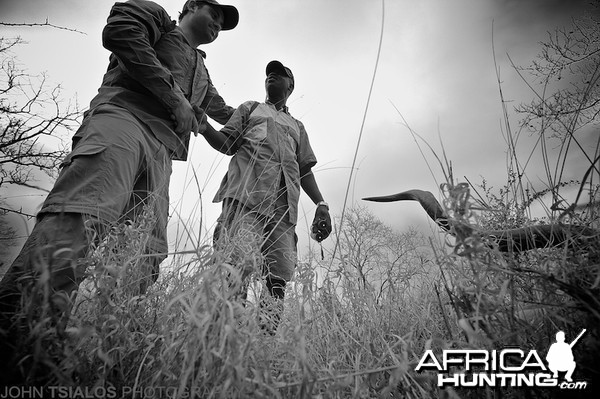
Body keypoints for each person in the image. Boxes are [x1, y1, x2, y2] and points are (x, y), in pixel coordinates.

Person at [0, 0, 239, 383]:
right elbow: (120, 33)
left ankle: (107, 352)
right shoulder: (158, 20)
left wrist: (255, 123)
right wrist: (174, 97)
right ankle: (21, 336)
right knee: (84, 215)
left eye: (223, 24)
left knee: (145, 252)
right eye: (215, 14)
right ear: (191, 6)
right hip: (122, 120)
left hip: (162, 153)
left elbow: (221, 118)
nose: (218, 25)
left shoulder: (202, 73)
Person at [199, 60, 332, 334]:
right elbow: (227, 143)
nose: (272, 76)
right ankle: (228, 340)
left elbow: (304, 170)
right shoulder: (250, 109)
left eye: (280, 75)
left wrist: (321, 203)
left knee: (277, 279)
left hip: (284, 214)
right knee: (235, 268)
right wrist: (203, 126)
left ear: (290, 86)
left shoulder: (297, 126)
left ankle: (265, 345)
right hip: (246, 201)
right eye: (269, 74)